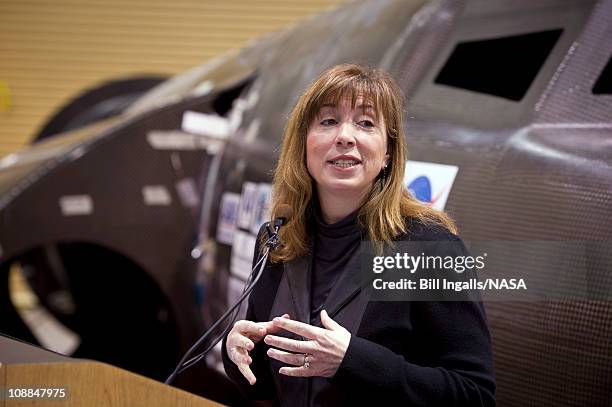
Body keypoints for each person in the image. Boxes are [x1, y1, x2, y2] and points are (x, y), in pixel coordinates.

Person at [222, 64, 496, 406]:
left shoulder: (429, 245)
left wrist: (350, 359)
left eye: (366, 124)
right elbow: (264, 386)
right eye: (328, 121)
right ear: (304, 142)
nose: (345, 136)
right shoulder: (277, 238)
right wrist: (236, 352)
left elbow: (474, 395)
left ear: (388, 153)